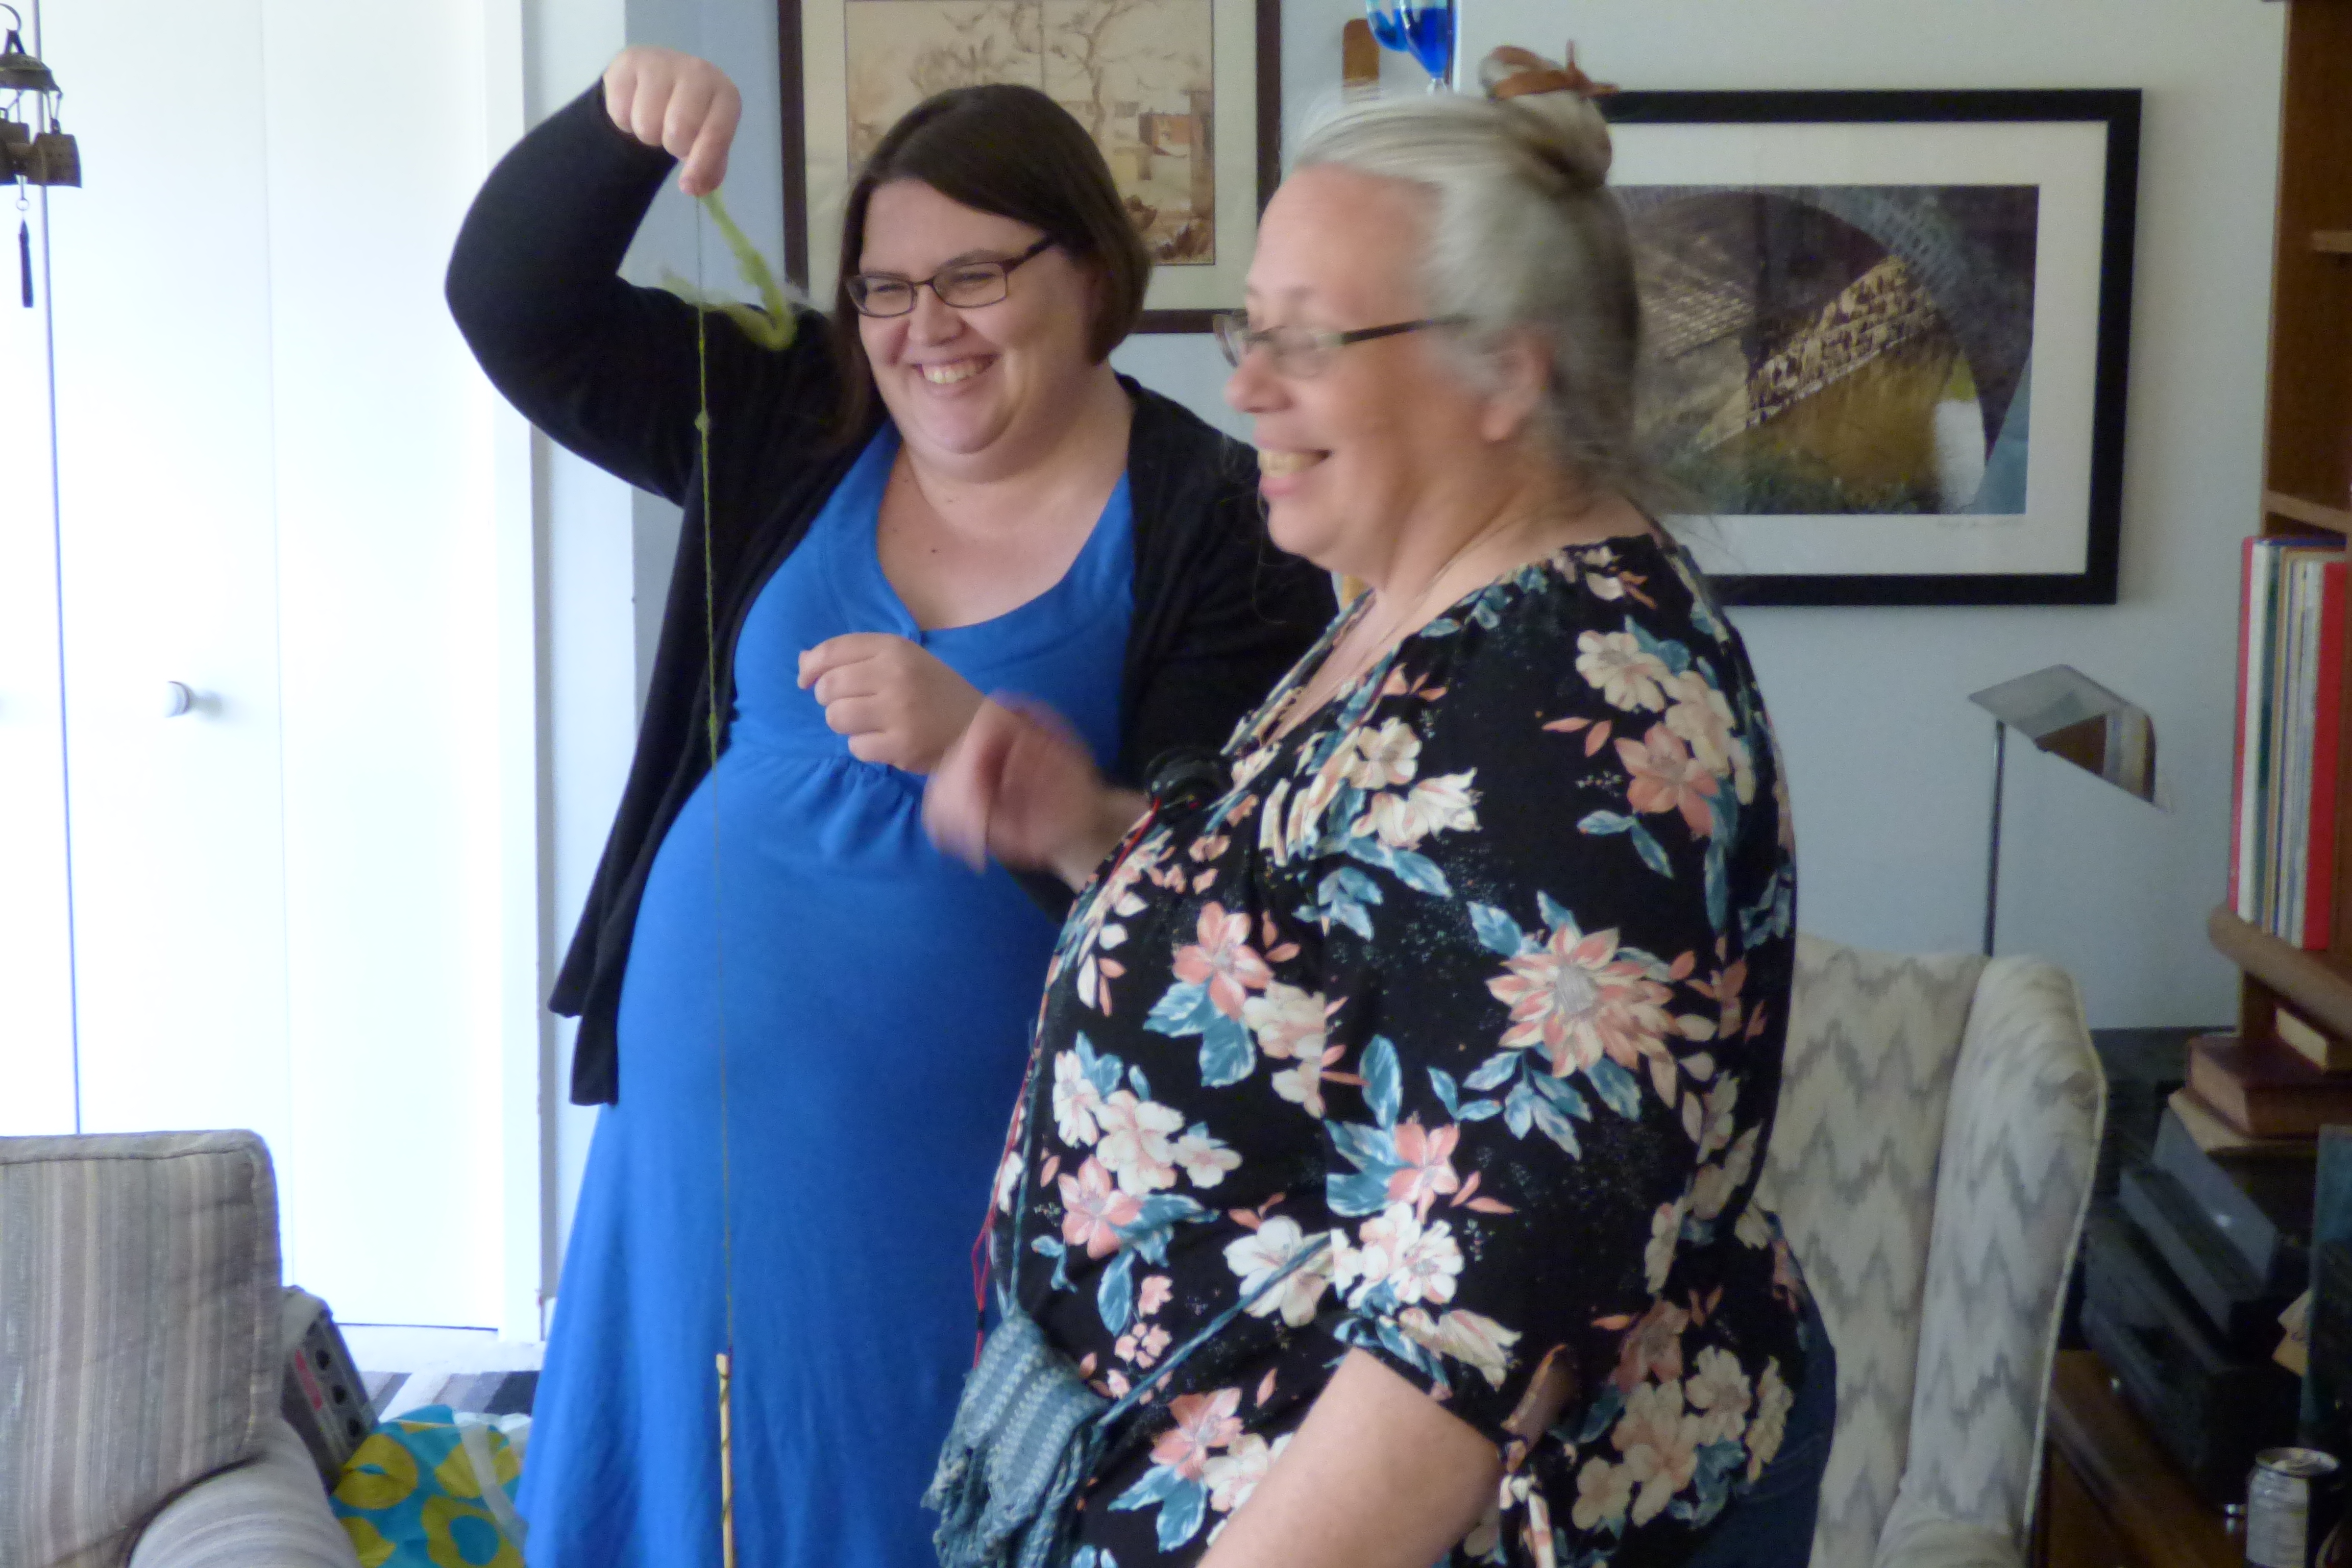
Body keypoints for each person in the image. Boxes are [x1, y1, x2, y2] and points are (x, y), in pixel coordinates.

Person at [922, 48, 1831, 1568]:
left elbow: (1472, 1346)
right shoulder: (1414, 611)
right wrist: (1093, 831)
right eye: (1250, 329)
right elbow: (1356, 950)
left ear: (1507, 371)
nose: (1245, 386)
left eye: (1309, 339)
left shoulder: (1582, 715)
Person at [444, 47, 1333, 1568]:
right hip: (703, 1139)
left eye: (974, 277)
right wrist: (617, 128)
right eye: (885, 287)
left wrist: (977, 741)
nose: (926, 328)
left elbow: (1217, 909)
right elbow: (516, 304)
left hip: (977, 1177)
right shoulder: (794, 414)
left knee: (915, 1499)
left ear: (1092, 271)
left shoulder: (1222, 526)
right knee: (696, 1502)